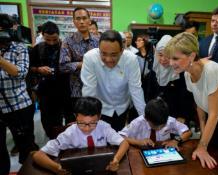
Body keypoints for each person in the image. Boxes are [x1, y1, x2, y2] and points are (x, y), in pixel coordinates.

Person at [164, 32, 218, 171]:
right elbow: (200, 107)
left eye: (175, 58)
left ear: (192, 56)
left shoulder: (211, 71)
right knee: (211, 164)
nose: (171, 63)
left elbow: (213, 114)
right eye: (170, 58)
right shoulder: (187, 73)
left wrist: (202, 146)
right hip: (217, 121)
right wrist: (203, 138)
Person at [32, 97, 129, 174]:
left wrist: (116, 160)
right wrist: (56, 168)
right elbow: (38, 156)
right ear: (75, 117)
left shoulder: (104, 126)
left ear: (99, 117)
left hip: (100, 169)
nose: (87, 128)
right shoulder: (69, 133)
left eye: (92, 123)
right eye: (81, 123)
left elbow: (124, 143)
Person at [81, 30, 145, 131]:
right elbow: (89, 90)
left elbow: (136, 89)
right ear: (99, 49)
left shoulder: (131, 59)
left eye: (114, 55)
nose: (108, 59)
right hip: (100, 107)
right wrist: (89, 116)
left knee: (118, 136)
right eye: (104, 54)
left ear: (122, 50)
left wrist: (144, 118)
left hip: (122, 107)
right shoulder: (90, 58)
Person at [0, 13, 37, 169]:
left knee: (26, 147)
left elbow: (21, 72)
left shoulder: (19, 48)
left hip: (19, 105)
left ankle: (29, 170)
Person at [30, 21, 71, 139]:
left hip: (65, 88)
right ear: (42, 36)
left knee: (69, 117)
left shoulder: (66, 47)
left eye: (54, 39)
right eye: (48, 40)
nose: (52, 43)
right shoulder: (37, 49)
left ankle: (69, 142)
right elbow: (30, 68)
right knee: (49, 120)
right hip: (46, 91)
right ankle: (54, 140)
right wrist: (38, 69)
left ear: (59, 35)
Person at [59, 7, 99, 122]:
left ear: (89, 20)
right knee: (80, 122)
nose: (81, 21)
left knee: (96, 121)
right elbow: (62, 66)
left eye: (84, 18)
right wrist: (84, 64)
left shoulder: (98, 41)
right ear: (74, 21)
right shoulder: (67, 41)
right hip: (77, 90)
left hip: (97, 89)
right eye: (78, 19)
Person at [153, 35, 195, 123]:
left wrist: (183, 116)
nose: (163, 59)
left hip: (177, 118)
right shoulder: (154, 72)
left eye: (167, 55)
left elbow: (187, 97)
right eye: (160, 55)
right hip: (157, 117)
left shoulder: (182, 72)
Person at [119, 98, 192, 149]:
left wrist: (176, 140)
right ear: (147, 119)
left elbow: (188, 132)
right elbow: (120, 136)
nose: (160, 128)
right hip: (140, 153)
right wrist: (138, 142)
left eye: (163, 125)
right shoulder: (138, 122)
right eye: (156, 126)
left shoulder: (169, 120)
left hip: (163, 151)